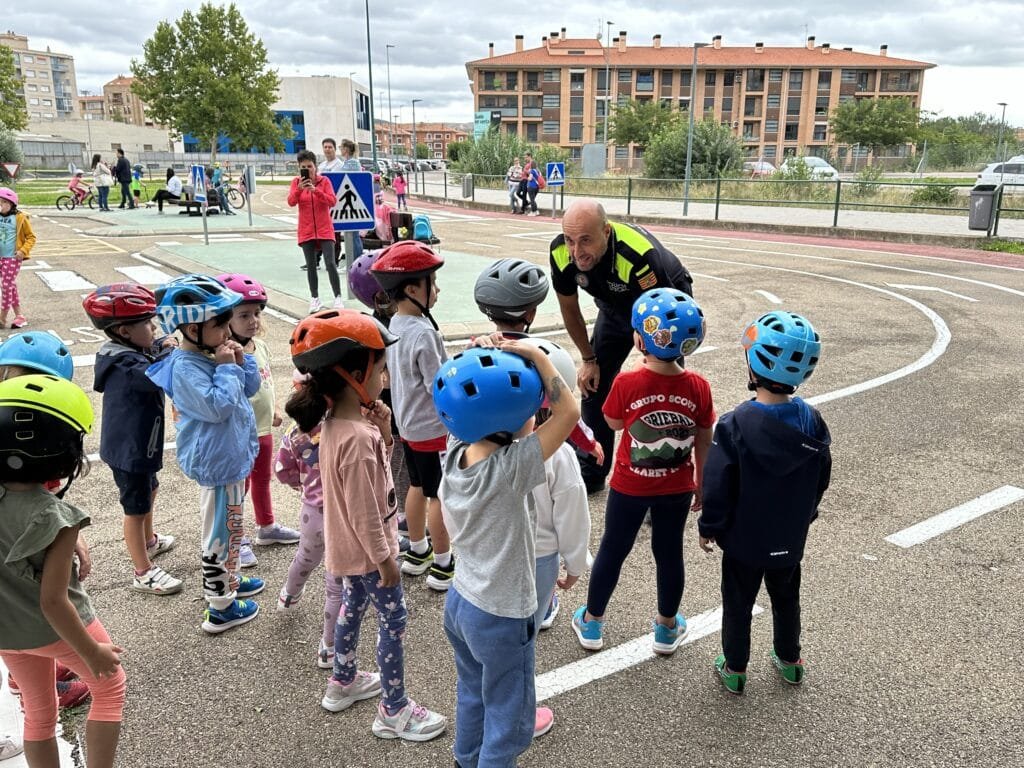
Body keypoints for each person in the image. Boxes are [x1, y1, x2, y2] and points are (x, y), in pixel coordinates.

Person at [288, 309, 447, 741]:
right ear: (356, 374)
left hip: (347, 552)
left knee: (351, 610)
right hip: (369, 552)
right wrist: (385, 560)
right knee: (393, 624)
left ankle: (342, 680)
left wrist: (386, 433)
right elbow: (364, 508)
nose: (386, 377)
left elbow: (366, 483)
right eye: (382, 368)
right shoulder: (356, 439)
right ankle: (394, 709)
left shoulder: (338, 426)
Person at [435, 342, 579, 765]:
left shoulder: (456, 450)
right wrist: (539, 359)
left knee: (474, 695)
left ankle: (465, 759)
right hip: (500, 616)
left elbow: (467, 400)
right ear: (509, 421)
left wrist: (480, 363)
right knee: (508, 720)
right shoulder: (509, 469)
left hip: (461, 604)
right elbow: (568, 414)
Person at [571, 289, 714, 655]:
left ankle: (593, 622)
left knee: (613, 549)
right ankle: (666, 628)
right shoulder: (698, 387)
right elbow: (704, 436)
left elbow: (613, 422)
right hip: (677, 486)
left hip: (629, 485)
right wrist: (702, 481)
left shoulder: (626, 382)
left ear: (639, 339)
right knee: (668, 553)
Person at [698, 311, 832, 695]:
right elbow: (821, 476)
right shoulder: (813, 422)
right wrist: (808, 514)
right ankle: (790, 661)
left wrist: (710, 526)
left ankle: (735, 669)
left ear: (753, 364)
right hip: (790, 537)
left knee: (738, 603)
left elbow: (719, 484)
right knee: (787, 598)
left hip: (744, 541)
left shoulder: (735, 424)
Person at [0, 375, 127, 768]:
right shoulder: (58, 516)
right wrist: (91, 652)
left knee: (39, 713)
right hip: (57, 629)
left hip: (7, 631)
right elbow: (54, 602)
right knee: (110, 689)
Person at [549, 199, 694, 494]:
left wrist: (652, 360)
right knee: (593, 384)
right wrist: (588, 358)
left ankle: (665, 481)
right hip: (615, 306)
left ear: (606, 231)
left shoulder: (640, 257)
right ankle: (592, 471)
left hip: (665, 308)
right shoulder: (561, 252)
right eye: (570, 240)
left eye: (586, 240)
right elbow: (569, 308)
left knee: (665, 393)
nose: (577, 252)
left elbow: (660, 316)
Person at [146, 274, 264, 634]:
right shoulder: (185, 368)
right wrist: (228, 368)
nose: (228, 330)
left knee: (231, 524)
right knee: (220, 531)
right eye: (219, 323)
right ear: (190, 328)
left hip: (230, 457)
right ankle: (220, 605)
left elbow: (250, 389)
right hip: (216, 462)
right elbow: (218, 407)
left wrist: (241, 362)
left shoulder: (213, 354)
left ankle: (229, 577)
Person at [83, 284, 183, 596]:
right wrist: (168, 350)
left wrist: (158, 346)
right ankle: (143, 571)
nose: (154, 328)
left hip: (141, 444)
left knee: (151, 489)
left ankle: (149, 541)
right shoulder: (127, 366)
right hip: (130, 451)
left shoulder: (129, 353)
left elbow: (150, 357)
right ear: (124, 331)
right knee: (135, 508)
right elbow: (159, 375)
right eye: (148, 325)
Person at [369, 242, 454, 591]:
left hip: (408, 426)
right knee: (439, 495)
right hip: (432, 428)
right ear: (412, 289)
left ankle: (418, 551)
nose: (436, 290)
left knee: (417, 486)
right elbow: (440, 383)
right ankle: (444, 564)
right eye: (431, 283)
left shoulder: (395, 326)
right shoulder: (425, 332)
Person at [216, 274, 299, 569]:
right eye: (243, 315)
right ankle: (238, 539)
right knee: (242, 485)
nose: (253, 320)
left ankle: (266, 526)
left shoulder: (259, 346)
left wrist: (274, 409)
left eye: (256, 313)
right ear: (225, 318)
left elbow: (265, 382)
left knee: (263, 479)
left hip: (263, 428)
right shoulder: (223, 354)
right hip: (240, 433)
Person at [274, 371, 346, 671]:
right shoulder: (342, 430)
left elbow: (281, 471)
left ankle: (289, 595)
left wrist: (301, 483)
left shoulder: (295, 434)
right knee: (336, 586)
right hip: (342, 515)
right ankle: (329, 648)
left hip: (312, 513)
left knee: (304, 557)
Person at [288, 150, 343, 313]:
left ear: (315, 166)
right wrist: (299, 189)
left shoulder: (324, 181)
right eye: (303, 167)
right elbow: (291, 202)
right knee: (311, 265)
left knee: (330, 262)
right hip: (306, 229)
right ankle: (314, 298)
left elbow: (332, 201)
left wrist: (315, 190)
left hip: (325, 228)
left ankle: (338, 297)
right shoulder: (296, 182)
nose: (307, 169)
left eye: (310, 166)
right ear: (299, 168)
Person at [0, 188, 34, 330]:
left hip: (12, 258)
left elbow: (31, 237)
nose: (0, 205)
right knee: (11, 286)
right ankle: (19, 316)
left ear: (12, 204)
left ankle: (2, 318)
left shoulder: (20, 218)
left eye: (3, 202)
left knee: (6, 286)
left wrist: (22, 251)